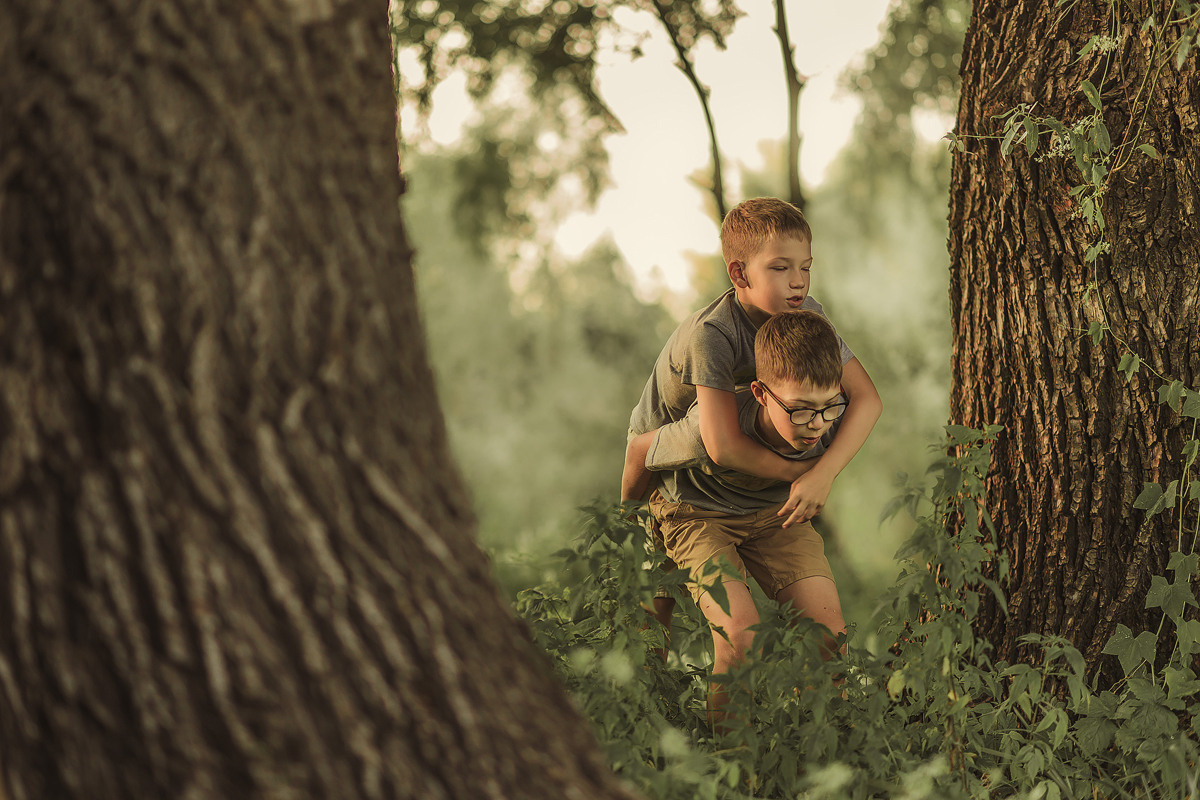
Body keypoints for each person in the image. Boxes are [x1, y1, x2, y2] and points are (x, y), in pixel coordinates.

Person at [621, 196, 882, 630]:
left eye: (806, 267)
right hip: (674, 472)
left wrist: (823, 473)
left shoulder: (807, 316)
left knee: (821, 634)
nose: (798, 282)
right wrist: (799, 474)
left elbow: (866, 399)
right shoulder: (714, 336)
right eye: (780, 268)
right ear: (740, 274)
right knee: (653, 620)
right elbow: (718, 445)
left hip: (750, 490)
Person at [641, 310, 869, 726]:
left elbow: (868, 403)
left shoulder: (831, 424)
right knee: (740, 635)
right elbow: (640, 450)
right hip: (696, 513)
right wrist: (625, 519)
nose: (817, 424)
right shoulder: (708, 431)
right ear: (761, 393)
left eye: (829, 406)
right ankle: (731, 765)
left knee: (829, 637)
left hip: (774, 515)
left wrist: (824, 471)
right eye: (800, 410)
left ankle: (822, 754)